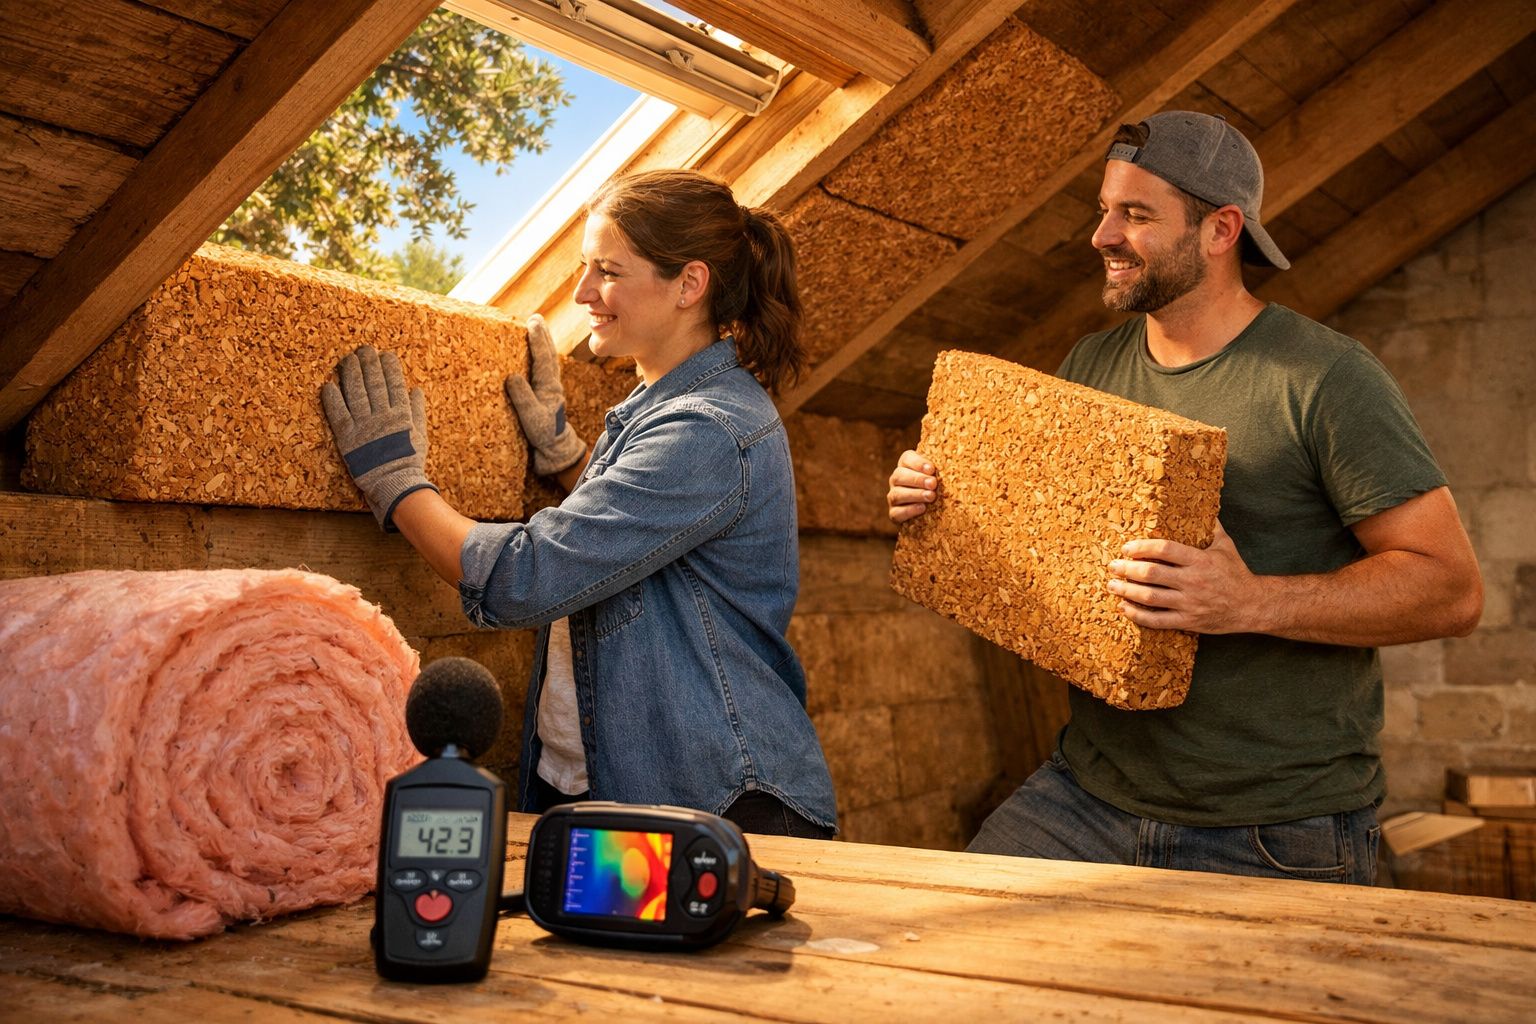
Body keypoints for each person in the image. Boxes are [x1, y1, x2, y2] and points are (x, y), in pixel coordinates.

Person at [887, 111, 1482, 882]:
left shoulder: (1326, 380)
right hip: (1087, 797)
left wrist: (1251, 603)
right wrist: (942, 500)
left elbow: (1451, 590)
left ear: (1220, 229)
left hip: (1277, 825)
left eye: (1135, 215)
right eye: (1103, 210)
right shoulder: (1091, 364)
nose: (1102, 236)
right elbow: (1043, 541)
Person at [323, 169, 837, 839]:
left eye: (608, 272)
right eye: (582, 269)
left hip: (720, 808)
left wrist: (397, 483)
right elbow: (651, 544)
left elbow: (527, 576)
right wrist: (572, 462)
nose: (581, 293)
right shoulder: (670, 415)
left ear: (689, 284)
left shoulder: (708, 429)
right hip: (621, 793)